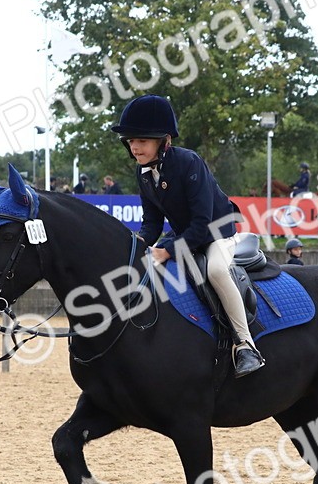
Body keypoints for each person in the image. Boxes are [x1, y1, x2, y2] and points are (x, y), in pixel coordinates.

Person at [112, 94, 263, 377]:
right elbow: (152, 223)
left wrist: (167, 251)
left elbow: (203, 222)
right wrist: (137, 245)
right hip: (185, 234)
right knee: (144, 267)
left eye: (142, 140)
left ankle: (245, 345)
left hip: (218, 231)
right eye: (131, 140)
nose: (134, 146)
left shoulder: (189, 162)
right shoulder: (143, 172)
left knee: (217, 270)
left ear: (164, 140)